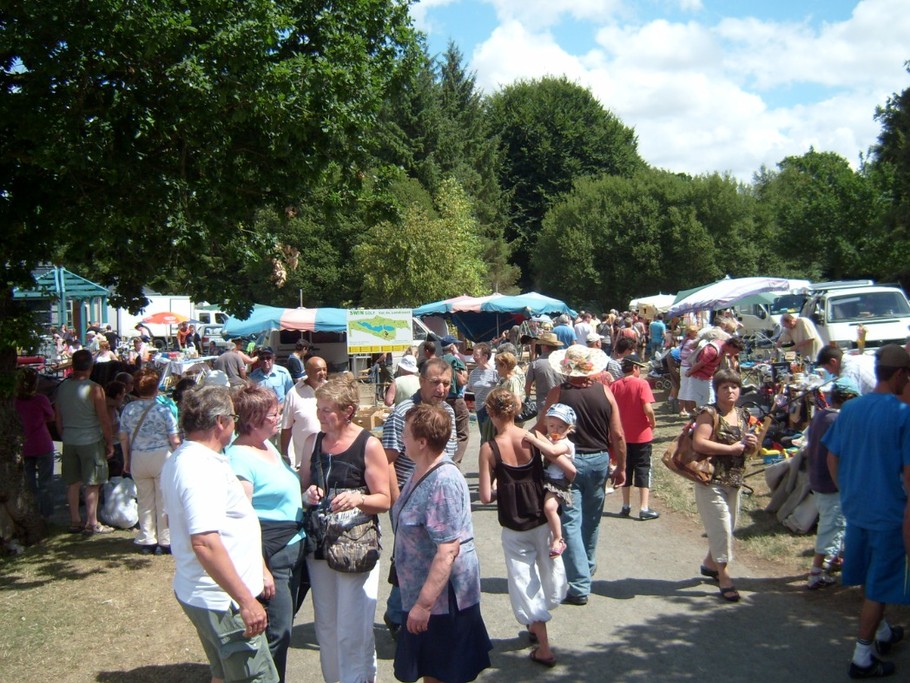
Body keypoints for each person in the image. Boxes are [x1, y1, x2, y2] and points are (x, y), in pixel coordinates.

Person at [160, 384, 278, 683]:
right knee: (256, 676)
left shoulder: (191, 458)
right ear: (220, 422)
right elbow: (205, 542)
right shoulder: (199, 467)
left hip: (211, 594)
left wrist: (259, 569)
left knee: (223, 674)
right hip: (222, 601)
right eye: (234, 417)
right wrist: (246, 601)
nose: (236, 423)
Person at [823, 344, 910, 678]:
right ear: (901, 374)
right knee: (880, 583)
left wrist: (847, 490)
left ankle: (884, 632)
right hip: (890, 513)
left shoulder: (853, 409)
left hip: (857, 509)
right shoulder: (903, 414)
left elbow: (832, 456)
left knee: (868, 575)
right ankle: (862, 656)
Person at [392, 404, 492, 683]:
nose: (402, 438)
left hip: (442, 600)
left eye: (406, 434)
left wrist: (423, 605)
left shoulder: (443, 480)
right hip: (422, 592)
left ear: (422, 442)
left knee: (443, 673)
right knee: (431, 672)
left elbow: (448, 550)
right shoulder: (420, 469)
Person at [302, 377, 391, 683]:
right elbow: (303, 486)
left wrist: (358, 498)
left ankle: (359, 679)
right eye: (318, 407)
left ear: (348, 411)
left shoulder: (368, 444)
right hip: (319, 546)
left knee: (352, 626)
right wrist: (309, 493)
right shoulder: (312, 442)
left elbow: (385, 499)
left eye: (327, 410)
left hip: (355, 546)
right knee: (326, 625)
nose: (320, 415)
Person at [479, 389, 568, 666]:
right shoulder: (534, 437)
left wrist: (501, 487)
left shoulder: (489, 449)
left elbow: (484, 496)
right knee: (547, 571)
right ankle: (538, 620)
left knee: (523, 580)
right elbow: (563, 464)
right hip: (541, 517)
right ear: (516, 409)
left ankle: (544, 646)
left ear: (491, 414)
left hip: (514, 524)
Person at [227, 386, 306, 683]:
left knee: (282, 628)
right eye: (273, 414)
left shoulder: (268, 445)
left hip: (292, 547)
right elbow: (242, 520)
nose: (279, 418)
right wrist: (261, 569)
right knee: (278, 632)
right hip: (272, 555)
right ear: (253, 418)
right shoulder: (238, 459)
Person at [538, 345, 626, 605]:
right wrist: (621, 465)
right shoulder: (606, 392)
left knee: (570, 521)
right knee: (592, 517)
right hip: (599, 460)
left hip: (568, 461)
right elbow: (618, 435)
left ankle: (578, 584)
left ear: (566, 368)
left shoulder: (558, 393)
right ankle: (586, 566)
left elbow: (542, 425)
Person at [381, 358, 457, 637]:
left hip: (438, 498)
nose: (441, 388)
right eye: (435, 382)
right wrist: (397, 501)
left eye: (446, 383)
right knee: (408, 558)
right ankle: (399, 615)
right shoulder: (403, 412)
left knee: (430, 557)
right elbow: (386, 460)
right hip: (406, 497)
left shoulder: (447, 410)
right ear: (421, 381)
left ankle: (404, 611)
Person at [690, 369, 758, 603]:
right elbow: (699, 442)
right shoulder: (708, 413)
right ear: (716, 390)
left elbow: (747, 447)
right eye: (724, 387)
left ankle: (710, 564)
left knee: (728, 525)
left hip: (734, 479)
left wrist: (750, 444)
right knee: (721, 528)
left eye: (734, 387)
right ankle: (724, 575)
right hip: (710, 479)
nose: (730, 391)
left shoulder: (742, 414)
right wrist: (731, 449)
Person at [805, 376, 859, 590]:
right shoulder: (837, 420)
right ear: (848, 399)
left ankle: (835, 558)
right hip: (831, 483)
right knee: (831, 527)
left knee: (833, 523)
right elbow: (836, 456)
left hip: (818, 479)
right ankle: (816, 572)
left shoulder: (820, 416)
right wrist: (841, 484)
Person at [119, 367, 181, 554]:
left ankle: (147, 538)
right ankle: (165, 539)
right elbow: (174, 438)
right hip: (161, 455)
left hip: (138, 455)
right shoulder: (163, 410)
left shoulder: (129, 409)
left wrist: (126, 459)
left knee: (144, 499)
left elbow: (123, 436)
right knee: (163, 499)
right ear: (156, 388)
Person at [55, 349, 115, 535]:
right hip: (90, 439)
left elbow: (58, 416)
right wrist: (109, 441)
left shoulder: (62, 387)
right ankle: (92, 522)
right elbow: (104, 419)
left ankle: (74, 520)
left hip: (70, 438)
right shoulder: (95, 388)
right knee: (92, 482)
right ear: (90, 366)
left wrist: (64, 434)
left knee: (72, 482)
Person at [522, 403, 577, 558]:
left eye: (561, 427)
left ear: (569, 428)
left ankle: (558, 539)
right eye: (552, 425)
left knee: (550, 508)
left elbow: (552, 452)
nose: (555, 430)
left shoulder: (566, 444)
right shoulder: (550, 439)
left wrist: (533, 439)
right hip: (547, 479)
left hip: (557, 483)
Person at [611, 354, 659, 520]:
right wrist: (652, 422)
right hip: (641, 435)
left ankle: (626, 505)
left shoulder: (615, 385)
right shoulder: (642, 384)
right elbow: (648, 408)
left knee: (625, 468)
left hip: (622, 435)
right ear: (635, 368)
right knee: (643, 469)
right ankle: (644, 507)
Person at [14, 368, 56, 518]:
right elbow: (51, 417)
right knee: (46, 482)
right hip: (42, 442)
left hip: (24, 444)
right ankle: (46, 514)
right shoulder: (41, 399)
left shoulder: (14, 401)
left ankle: (31, 512)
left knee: (29, 482)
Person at [280, 356, 328, 469]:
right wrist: (284, 454)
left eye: (324, 369)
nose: (322, 373)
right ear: (307, 371)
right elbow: (286, 427)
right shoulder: (293, 394)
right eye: (318, 370)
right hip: (304, 462)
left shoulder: (331, 390)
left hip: (328, 458)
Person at [685, 336, 745, 409]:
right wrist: (689, 372)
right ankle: (702, 417)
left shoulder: (722, 346)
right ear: (731, 346)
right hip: (700, 378)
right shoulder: (713, 351)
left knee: (709, 400)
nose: (736, 353)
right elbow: (700, 364)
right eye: (736, 351)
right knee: (707, 402)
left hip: (708, 378)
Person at [439, 336, 470, 466]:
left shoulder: (438, 361)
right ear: (452, 347)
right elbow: (461, 381)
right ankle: (455, 462)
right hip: (456, 400)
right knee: (462, 433)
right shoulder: (454, 360)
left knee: (445, 431)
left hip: (442, 400)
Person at [467, 342, 499, 439]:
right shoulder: (473, 373)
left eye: (476, 355)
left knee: (492, 437)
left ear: (485, 356)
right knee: (484, 437)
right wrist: (470, 408)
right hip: (478, 409)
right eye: (474, 355)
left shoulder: (495, 373)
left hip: (491, 410)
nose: (474, 357)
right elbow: (469, 390)